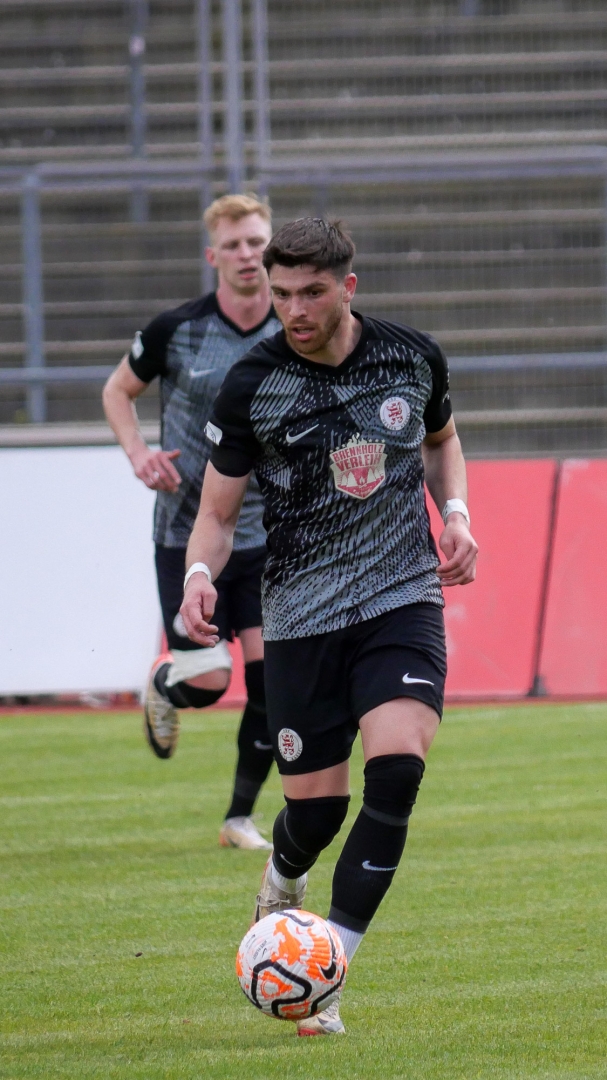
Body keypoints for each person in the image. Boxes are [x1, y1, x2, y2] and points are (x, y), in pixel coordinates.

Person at [180, 217, 478, 1035]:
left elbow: (442, 441)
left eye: (311, 293)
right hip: (301, 615)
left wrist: (454, 512)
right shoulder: (252, 383)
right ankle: (283, 875)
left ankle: (327, 973)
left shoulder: (410, 356)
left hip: (400, 598)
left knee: (397, 772)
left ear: (347, 287)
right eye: (281, 295)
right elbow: (216, 514)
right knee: (313, 817)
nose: (294, 310)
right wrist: (199, 577)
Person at [102, 194, 282, 851]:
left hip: (266, 534)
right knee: (208, 682)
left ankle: (238, 819)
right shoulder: (176, 329)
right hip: (187, 531)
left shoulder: (294, 328)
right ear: (213, 256)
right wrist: (139, 455)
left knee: (271, 683)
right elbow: (117, 390)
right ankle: (165, 683)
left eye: (256, 242)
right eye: (233, 245)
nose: (247, 255)